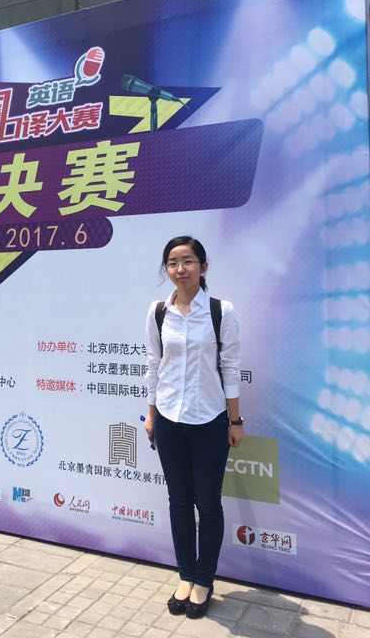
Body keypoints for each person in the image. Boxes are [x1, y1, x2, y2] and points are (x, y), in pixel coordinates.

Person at [143, 235, 244, 619]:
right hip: (169, 419)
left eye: (187, 261)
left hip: (209, 420)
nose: (179, 269)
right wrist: (151, 414)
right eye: (172, 262)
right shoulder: (158, 312)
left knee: (208, 504)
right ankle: (185, 575)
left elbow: (230, 367)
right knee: (179, 501)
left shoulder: (220, 311)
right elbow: (154, 365)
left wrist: (235, 420)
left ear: (203, 266)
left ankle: (204, 580)